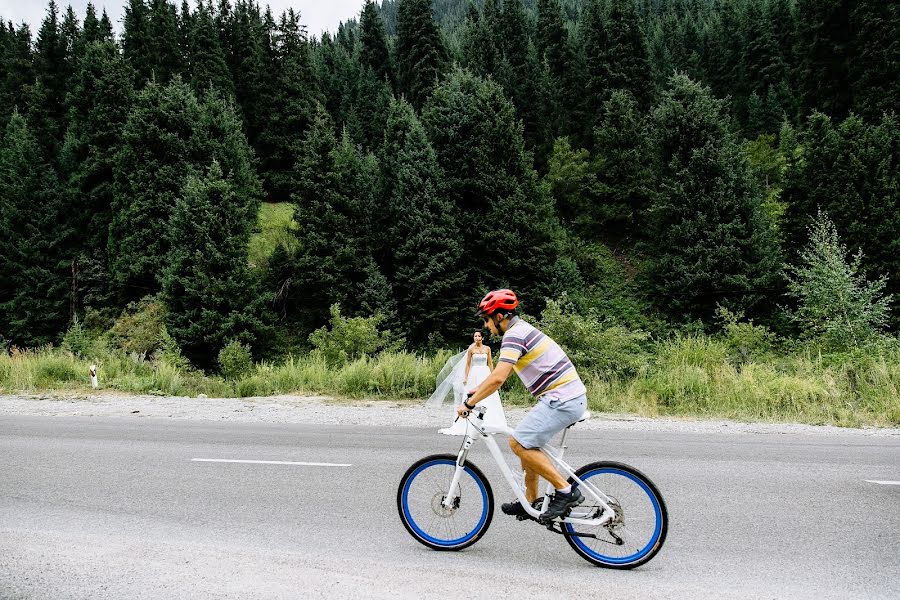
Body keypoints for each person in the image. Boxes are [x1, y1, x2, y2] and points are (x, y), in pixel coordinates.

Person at [459, 289, 588, 524]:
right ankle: (531, 501)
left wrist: (469, 402)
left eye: (487, 319)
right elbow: (496, 376)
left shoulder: (514, 335)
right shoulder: (521, 330)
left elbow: (499, 377)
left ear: (499, 316)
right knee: (527, 442)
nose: (486, 327)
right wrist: (477, 391)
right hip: (566, 397)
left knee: (517, 442)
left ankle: (565, 491)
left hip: (562, 399)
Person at [438, 331, 507, 435]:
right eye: (475, 336)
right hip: (474, 374)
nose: (477, 337)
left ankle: (491, 421)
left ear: (482, 338)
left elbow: (490, 363)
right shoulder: (471, 349)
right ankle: (472, 420)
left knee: (488, 395)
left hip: (485, 372)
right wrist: (465, 377)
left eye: (479, 336)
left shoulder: (487, 348)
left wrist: (493, 375)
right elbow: (468, 365)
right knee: (473, 395)